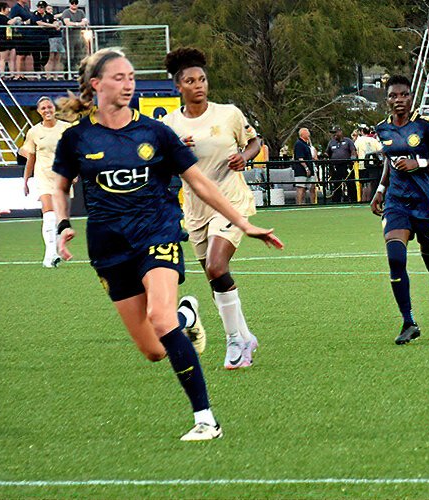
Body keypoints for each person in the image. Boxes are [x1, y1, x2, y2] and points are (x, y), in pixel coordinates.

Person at [51, 48, 283, 441]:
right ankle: (187, 319)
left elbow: (199, 181)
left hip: (157, 234)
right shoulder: (76, 138)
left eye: (131, 77)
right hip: (108, 248)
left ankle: (206, 419)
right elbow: (59, 185)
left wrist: (245, 222)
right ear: (96, 84)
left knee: (161, 318)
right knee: (153, 350)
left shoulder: (156, 132)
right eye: (119, 77)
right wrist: (61, 223)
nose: (128, 84)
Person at [159, 47, 267, 370]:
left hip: (230, 201)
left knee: (217, 268)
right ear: (179, 87)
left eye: (202, 79)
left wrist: (244, 158)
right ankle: (245, 335)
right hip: (194, 210)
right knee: (214, 276)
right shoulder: (169, 126)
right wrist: (175, 153)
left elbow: (254, 141)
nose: (199, 85)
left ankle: (234, 342)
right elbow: (160, 169)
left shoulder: (228, 114)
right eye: (191, 81)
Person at [370, 75, 429, 344]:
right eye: (393, 96)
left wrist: (419, 163)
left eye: (404, 95)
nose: (399, 100)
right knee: (396, 258)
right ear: (387, 100)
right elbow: (389, 162)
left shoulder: (425, 127)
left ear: (411, 98)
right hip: (397, 203)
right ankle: (408, 322)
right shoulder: (382, 129)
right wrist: (380, 190)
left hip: (427, 203)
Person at [17, 96, 71, 267]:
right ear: (39, 112)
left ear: (54, 109)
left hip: (62, 177)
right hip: (43, 177)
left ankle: (53, 253)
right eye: (43, 108)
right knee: (48, 215)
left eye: (49, 107)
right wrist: (25, 180)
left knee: (58, 217)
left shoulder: (66, 128)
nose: (47, 110)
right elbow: (30, 157)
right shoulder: (33, 132)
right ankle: (51, 254)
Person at [326, 125, 355, 202]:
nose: (334, 134)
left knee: (350, 183)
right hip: (335, 166)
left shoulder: (348, 141)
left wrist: (353, 158)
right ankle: (336, 200)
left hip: (346, 165)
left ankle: (352, 200)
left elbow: (353, 151)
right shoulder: (331, 142)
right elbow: (327, 153)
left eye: (335, 132)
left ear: (340, 132)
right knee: (336, 183)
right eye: (333, 133)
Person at [353, 126, 383, 199]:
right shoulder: (374, 140)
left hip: (362, 165)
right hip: (373, 164)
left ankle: (365, 199)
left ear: (362, 132)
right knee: (371, 183)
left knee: (364, 184)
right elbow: (380, 150)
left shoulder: (358, 140)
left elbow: (355, 151)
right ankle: (371, 198)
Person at [292, 127, 317, 205]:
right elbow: (300, 158)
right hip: (301, 170)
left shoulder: (306, 144)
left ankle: (313, 204)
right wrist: (306, 168)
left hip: (310, 169)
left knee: (312, 187)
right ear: (303, 134)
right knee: (301, 187)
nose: (309, 134)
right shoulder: (299, 144)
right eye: (307, 132)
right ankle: (299, 204)